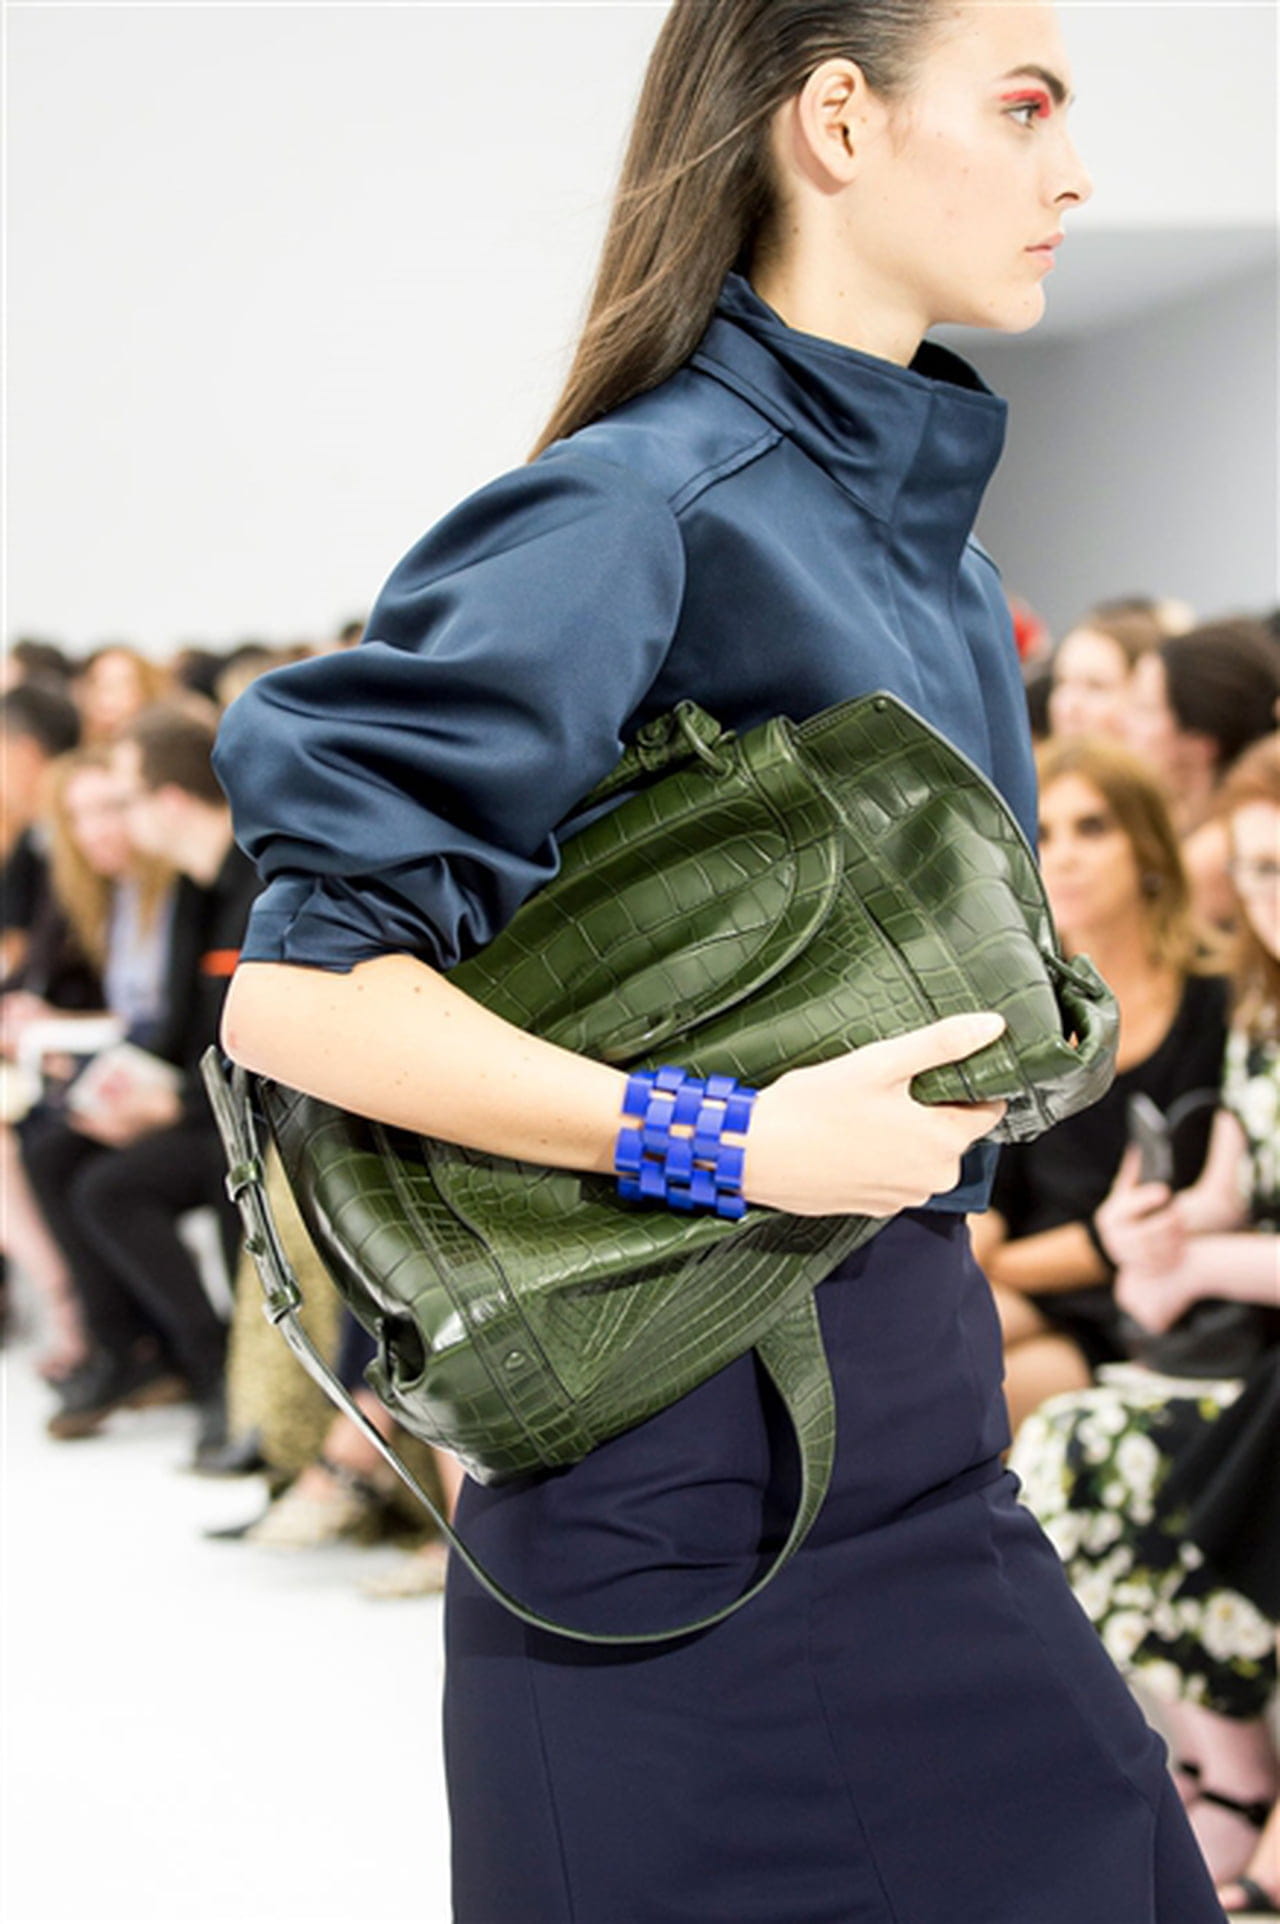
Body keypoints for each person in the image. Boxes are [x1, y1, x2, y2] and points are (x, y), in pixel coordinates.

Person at [212, 3, 1223, 1919]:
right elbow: (297, 994)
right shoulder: (632, 507)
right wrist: (725, 1136)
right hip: (678, 1521)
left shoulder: (933, 560)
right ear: (836, 120)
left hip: (927, 1458)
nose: (1074, 172)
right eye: (1024, 107)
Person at [1010, 733, 1280, 1888]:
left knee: (1068, 1432)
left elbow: (1207, 1235)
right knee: (1057, 1450)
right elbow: (1218, 1186)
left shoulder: (1215, 1008)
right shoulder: (1257, 1021)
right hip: (1202, 1341)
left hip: (1236, 1350)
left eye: (1092, 828)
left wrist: (1184, 1259)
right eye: (1256, 869)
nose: (1267, 892)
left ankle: (1236, 1782)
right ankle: (1226, 1770)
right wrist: (1147, 1235)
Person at [21, 703, 259, 1467]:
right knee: (55, 1152)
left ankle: (211, 1363)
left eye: (119, 803)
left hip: (243, 1116)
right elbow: (185, 1029)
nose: (111, 827)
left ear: (169, 800)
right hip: (205, 1100)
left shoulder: (238, 887)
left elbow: (246, 1046)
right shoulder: (197, 889)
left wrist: (170, 1103)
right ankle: (127, 1348)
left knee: (110, 1188)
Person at [971, 736, 1227, 1432]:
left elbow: (1173, 1208)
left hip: (1146, 1303)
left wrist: (1005, 1265)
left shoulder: (1214, 1004)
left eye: (1093, 828)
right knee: (921, 1360)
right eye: (1046, 834)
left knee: (969, 1405)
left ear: (1148, 849)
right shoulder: (1030, 1009)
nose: (1065, 855)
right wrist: (978, 1258)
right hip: (1036, 1278)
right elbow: (995, 1191)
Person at [1124, 618, 1280, 928]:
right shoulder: (1190, 829)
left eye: (1145, 709)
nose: (1124, 723)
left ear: (1200, 743)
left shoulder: (1212, 856)